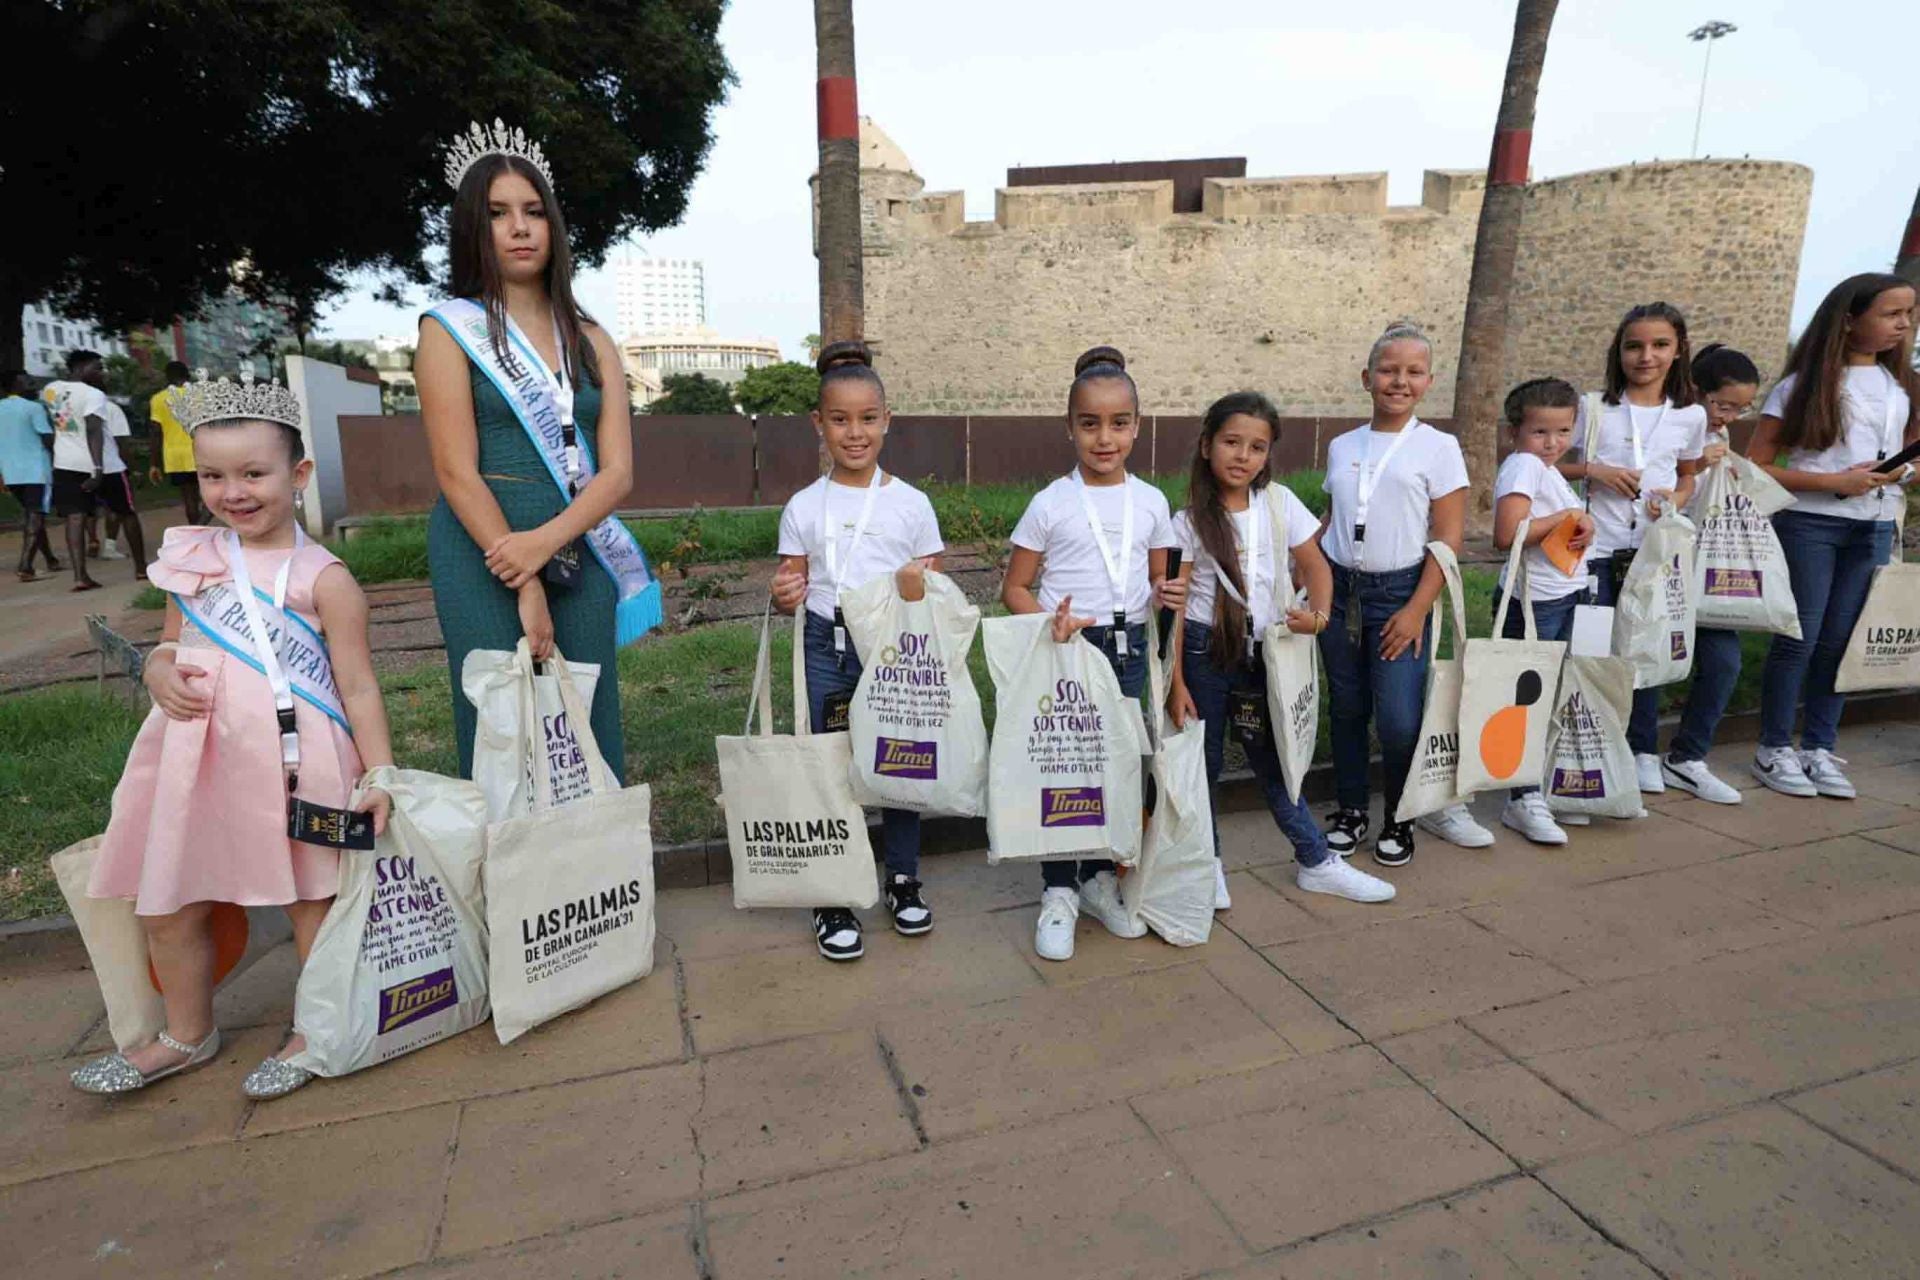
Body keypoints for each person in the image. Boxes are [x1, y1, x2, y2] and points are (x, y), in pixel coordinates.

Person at [69, 371, 394, 1099]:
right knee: (168, 903)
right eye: (214, 475)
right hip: (194, 758)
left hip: (295, 761)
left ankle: (315, 1031)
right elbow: (170, 639)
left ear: (297, 474)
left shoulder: (326, 578)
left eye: (254, 473)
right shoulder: (192, 557)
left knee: (312, 904)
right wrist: (155, 666)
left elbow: (359, 684)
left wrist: (379, 775)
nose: (233, 491)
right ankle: (187, 1034)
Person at [417, 121, 662, 781]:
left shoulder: (590, 337)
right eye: (497, 213)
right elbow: (454, 472)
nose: (519, 227)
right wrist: (522, 571)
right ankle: (511, 879)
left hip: (576, 547)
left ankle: (594, 876)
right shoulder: (448, 332)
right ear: (473, 227)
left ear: (553, 226)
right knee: (499, 720)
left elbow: (617, 475)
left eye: (533, 212)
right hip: (481, 548)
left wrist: (546, 543)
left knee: (586, 711)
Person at [1166, 392, 1395, 905]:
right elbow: (1176, 609)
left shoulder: (1279, 502)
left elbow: (1315, 565)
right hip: (1205, 653)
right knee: (1201, 767)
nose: (1243, 456)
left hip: (1264, 657)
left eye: (1257, 447)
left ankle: (1316, 860)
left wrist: (1318, 615)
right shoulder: (1186, 523)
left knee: (1277, 762)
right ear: (1206, 446)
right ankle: (1208, 866)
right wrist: (1177, 682)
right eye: (1231, 442)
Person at [1003, 346, 1185, 961]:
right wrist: (1049, 622)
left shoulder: (1153, 502)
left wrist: (1167, 592)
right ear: (1070, 427)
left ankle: (1098, 879)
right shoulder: (1051, 502)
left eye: (1117, 423)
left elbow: (1160, 588)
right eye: (1089, 424)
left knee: (1115, 768)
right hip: (1068, 650)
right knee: (1065, 768)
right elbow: (1014, 587)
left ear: (1137, 425)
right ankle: (1057, 891)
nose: (1104, 438)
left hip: (1129, 648)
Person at [770, 341, 946, 961]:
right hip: (827, 646)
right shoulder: (803, 506)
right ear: (819, 424)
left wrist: (917, 588)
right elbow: (792, 585)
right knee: (830, 766)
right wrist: (785, 593)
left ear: (887, 419)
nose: (855, 432)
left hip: (893, 651)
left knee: (900, 762)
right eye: (840, 419)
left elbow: (930, 586)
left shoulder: (912, 504)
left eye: (868, 418)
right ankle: (833, 893)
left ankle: (901, 879)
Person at [1747, 273, 1917, 799]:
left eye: (1909, 314)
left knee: (1842, 643)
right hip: (1810, 524)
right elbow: (1754, 464)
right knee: (1800, 638)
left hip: (1874, 525)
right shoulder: (1800, 387)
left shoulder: (1901, 386)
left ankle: (1818, 746)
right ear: (1849, 319)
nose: (1904, 324)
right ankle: (1773, 748)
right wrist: (1831, 482)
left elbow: (1910, 455)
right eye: (1891, 313)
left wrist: (1899, 473)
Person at [1316, 322, 1471, 867]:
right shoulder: (1342, 444)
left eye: (1412, 372)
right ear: (1366, 377)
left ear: (1428, 381)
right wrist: (1303, 572)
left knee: (1400, 716)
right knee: (1348, 706)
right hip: (1339, 590)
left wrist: (1415, 609)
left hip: (1399, 591)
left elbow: (1448, 538)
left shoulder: (1439, 447)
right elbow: (1332, 518)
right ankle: (1353, 809)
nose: (1398, 381)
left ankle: (1401, 816)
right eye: (1387, 370)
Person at [1558, 302, 1708, 794]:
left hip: (1650, 553)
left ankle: (1642, 749)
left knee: (1643, 649)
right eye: (1634, 346)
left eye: (1660, 345)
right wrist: (1593, 471)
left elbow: (1687, 475)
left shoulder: (1690, 415)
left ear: (1679, 349)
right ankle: (1586, 747)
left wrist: (1676, 498)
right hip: (1596, 552)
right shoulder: (1593, 407)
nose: (1646, 356)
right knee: (1594, 652)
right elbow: (1545, 462)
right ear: (1618, 351)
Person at [1491, 378, 1594, 844]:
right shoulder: (1522, 467)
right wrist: (1567, 519)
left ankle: (1535, 788)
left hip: (1561, 595)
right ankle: (1522, 797)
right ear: (1515, 431)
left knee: (1546, 696)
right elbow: (1508, 533)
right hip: (1533, 602)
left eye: (1563, 431)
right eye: (1540, 432)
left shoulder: (1546, 470)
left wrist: (1580, 525)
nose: (1553, 443)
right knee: (1525, 702)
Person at [1660, 344, 1764, 804]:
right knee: (1653, 660)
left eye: (1740, 409)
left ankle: (1687, 756)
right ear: (1697, 393)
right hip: (1665, 565)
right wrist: (1699, 465)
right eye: (1722, 405)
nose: (1729, 417)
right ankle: (1640, 750)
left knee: (1724, 663)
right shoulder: (1671, 430)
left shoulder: (1721, 443)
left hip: (1712, 571)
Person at [43, 349, 149, 590]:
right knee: (126, 512)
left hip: (65, 463)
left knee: (74, 516)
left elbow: (59, 423)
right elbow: (93, 429)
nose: (102, 373)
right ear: (81, 368)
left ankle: (80, 576)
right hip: (105, 465)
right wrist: (97, 468)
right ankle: (142, 568)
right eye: (98, 368)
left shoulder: (49, 390)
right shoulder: (94, 395)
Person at [0, 369, 60, 580]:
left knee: (32, 516)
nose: (32, 383)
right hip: (36, 470)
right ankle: (25, 566)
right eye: (26, 380)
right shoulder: (34, 408)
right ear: (15, 384)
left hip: (11, 472)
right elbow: (47, 439)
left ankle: (51, 559)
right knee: (36, 515)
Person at [149, 360, 207, 524]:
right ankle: (204, 526)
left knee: (189, 499)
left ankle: (196, 532)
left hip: (175, 457)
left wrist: (154, 464)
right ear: (187, 375)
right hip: (203, 452)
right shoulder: (200, 394)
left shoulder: (158, 399)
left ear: (166, 377)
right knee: (211, 493)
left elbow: (155, 432)